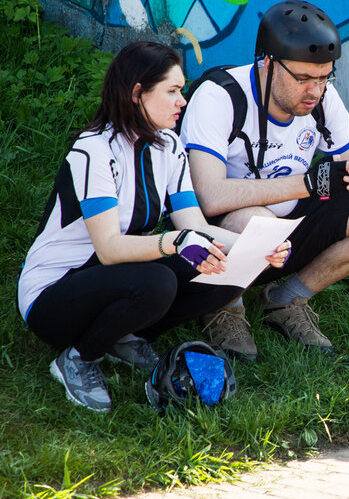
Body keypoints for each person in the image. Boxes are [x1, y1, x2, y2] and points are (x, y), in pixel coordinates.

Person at [16, 41, 290, 413]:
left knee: (227, 267)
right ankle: (78, 359)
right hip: (54, 295)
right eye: (173, 91)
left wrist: (254, 246)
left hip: (114, 278)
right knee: (158, 282)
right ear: (137, 93)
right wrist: (175, 242)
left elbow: (192, 224)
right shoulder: (94, 150)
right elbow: (110, 248)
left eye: (183, 91)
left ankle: (123, 337)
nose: (183, 101)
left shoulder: (170, 147)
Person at [180, 0, 349, 358]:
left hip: (286, 231)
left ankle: (286, 301)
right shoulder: (221, 95)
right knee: (253, 220)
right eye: (303, 78)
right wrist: (310, 183)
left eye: (324, 77)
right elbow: (208, 196)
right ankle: (224, 305)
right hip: (218, 239)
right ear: (267, 63)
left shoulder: (320, 97)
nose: (315, 91)